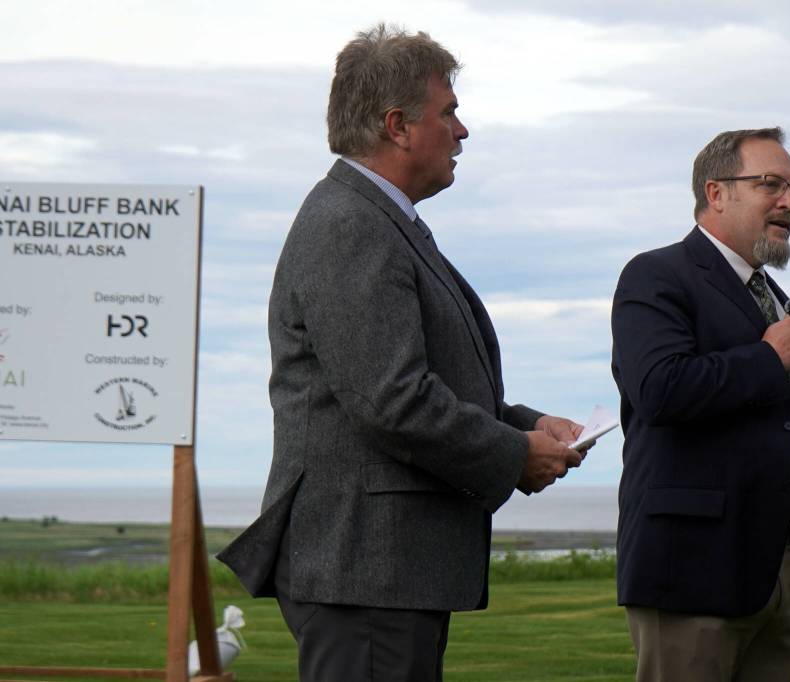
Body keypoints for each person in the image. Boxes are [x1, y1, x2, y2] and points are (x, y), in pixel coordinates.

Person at [217, 24, 585, 681]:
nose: (463, 131)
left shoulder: (378, 221)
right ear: (396, 125)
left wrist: (524, 426)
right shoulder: (351, 225)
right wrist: (512, 455)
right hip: (366, 571)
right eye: (449, 112)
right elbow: (393, 400)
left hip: (382, 573)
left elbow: (411, 381)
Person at [610, 127, 790, 681]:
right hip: (695, 571)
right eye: (771, 184)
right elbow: (660, 389)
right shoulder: (657, 275)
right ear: (716, 193)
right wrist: (768, 359)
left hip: (780, 565)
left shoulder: (769, 294)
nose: (789, 202)